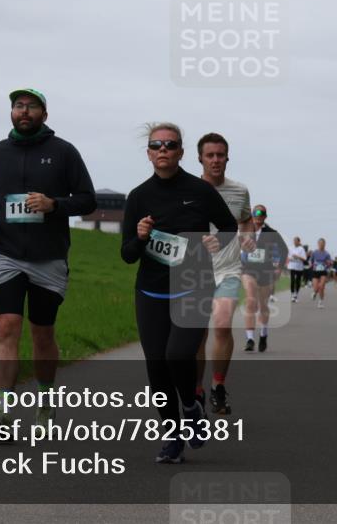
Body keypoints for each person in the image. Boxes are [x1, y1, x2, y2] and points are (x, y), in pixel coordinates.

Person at [0, 88, 96, 428]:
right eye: (18, 106)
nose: (24, 112)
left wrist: (54, 205)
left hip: (48, 257)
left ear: (44, 114)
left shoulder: (63, 152)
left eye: (31, 107)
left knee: (42, 333)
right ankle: (1, 409)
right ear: (11, 113)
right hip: (3, 252)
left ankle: (46, 400)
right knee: (6, 326)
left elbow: (86, 199)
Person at [121, 123, 238, 464]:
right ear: (148, 153)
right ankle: (172, 437)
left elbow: (229, 225)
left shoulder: (198, 191)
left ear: (181, 152)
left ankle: (191, 405)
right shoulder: (139, 197)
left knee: (178, 356)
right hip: (151, 291)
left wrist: (220, 240)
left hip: (193, 286)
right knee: (157, 370)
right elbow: (127, 254)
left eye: (170, 145)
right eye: (156, 145)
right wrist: (141, 237)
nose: (163, 150)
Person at [193, 133, 254, 416]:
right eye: (210, 155)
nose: (216, 160)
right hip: (194, 271)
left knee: (222, 324)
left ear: (228, 157)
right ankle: (196, 390)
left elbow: (245, 219)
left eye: (220, 155)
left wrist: (249, 237)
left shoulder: (239, 191)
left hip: (228, 268)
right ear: (200, 159)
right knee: (196, 334)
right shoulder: (187, 189)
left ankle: (218, 385)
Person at [241, 206, 288, 353]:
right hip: (248, 270)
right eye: (256, 213)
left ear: (265, 217)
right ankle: (250, 339)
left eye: (261, 214)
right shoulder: (245, 232)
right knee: (250, 300)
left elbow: (284, 250)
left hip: (266, 272)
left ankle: (263, 334)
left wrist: (279, 267)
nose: (258, 216)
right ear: (252, 215)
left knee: (263, 305)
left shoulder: (272, 234)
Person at [309, 238, 334, 308]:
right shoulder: (314, 252)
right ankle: (314, 293)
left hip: (323, 271)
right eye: (320, 243)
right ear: (318, 244)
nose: (321, 245)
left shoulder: (327, 254)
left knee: (322, 287)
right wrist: (311, 264)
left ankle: (320, 302)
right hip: (315, 271)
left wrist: (329, 263)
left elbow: (330, 262)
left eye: (322, 243)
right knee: (315, 287)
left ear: (324, 244)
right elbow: (311, 261)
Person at [286, 236, 308, 303]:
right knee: (292, 280)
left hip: (299, 267)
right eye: (294, 240)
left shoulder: (301, 249)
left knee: (298, 281)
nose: (295, 242)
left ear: (299, 242)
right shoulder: (290, 248)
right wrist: (290, 258)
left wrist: (297, 256)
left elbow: (304, 259)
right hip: (292, 266)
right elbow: (288, 256)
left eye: (296, 241)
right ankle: (292, 295)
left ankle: (296, 294)